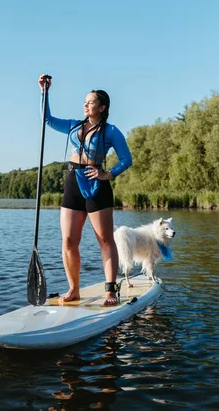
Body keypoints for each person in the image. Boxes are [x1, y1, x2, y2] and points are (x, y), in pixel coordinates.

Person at [38, 74, 132, 306]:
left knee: (105, 240)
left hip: (96, 183)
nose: (85, 104)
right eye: (85, 101)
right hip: (73, 181)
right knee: (69, 240)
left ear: (102, 107)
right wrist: (44, 92)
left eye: (90, 102)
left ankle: (110, 291)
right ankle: (74, 289)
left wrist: (107, 174)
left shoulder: (111, 131)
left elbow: (126, 159)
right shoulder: (73, 125)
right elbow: (47, 120)